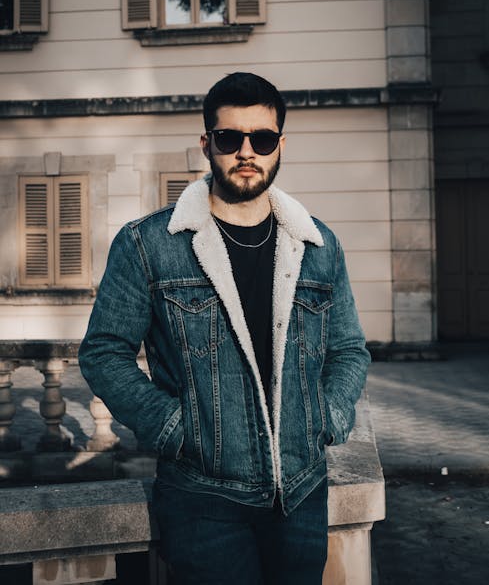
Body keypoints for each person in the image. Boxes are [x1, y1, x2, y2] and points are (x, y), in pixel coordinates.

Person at [79, 71, 370, 585]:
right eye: (229, 138)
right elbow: (104, 353)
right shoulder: (149, 244)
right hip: (202, 500)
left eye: (261, 139)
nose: (245, 152)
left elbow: (349, 349)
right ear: (206, 143)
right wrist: (173, 428)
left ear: (280, 144)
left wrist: (330, 412)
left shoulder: (320, 245)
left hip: (301, 495)